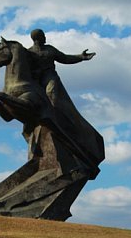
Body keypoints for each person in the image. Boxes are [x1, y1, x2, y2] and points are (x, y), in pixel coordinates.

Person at [28, 29, 104, 169]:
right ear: (37, 38)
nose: (45, 38)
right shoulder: (29, 53)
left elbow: (65, 58)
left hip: (50, 76)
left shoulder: (49, 49)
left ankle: (57, 117)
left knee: (53, 95)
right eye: (43, 36)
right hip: (37, 80)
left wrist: (80, 57)